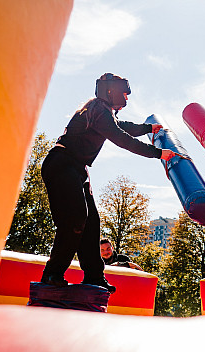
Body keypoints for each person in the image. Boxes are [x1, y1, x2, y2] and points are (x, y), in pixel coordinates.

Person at [40, 73, 175, 293]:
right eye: (124, 94)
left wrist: (148, 129)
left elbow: (121, 127)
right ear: (110, 91)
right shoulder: (97, 109)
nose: (127, 99)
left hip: (77, 169)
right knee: (75, 219)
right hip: (61, 164)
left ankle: (94, 276)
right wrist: (157, 153)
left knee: (92, 223)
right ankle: (52, 273)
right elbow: (121, 138)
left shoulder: (101, 113)